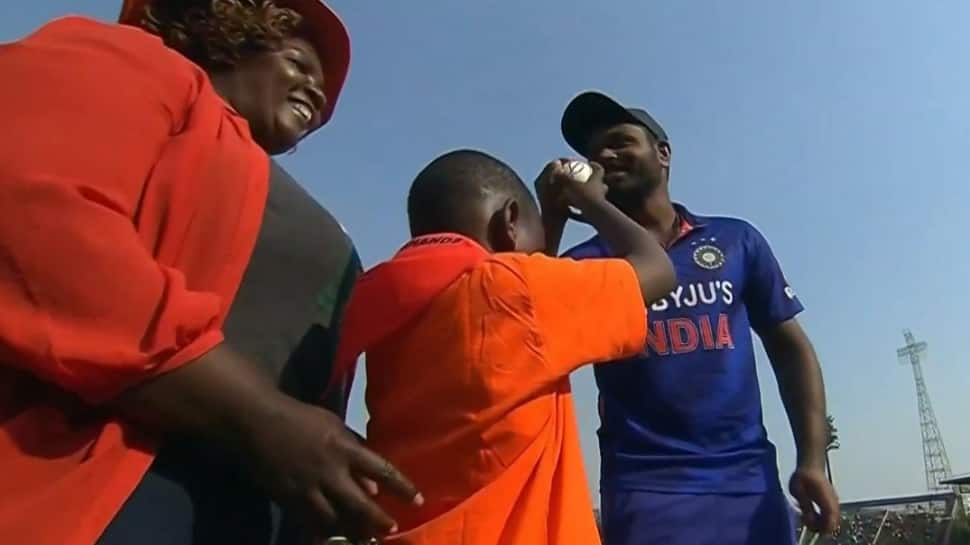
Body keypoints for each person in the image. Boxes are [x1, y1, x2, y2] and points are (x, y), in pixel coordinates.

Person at [0, 3, 421, 545]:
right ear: (231, 33)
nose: (318, 94)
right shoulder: (132, 61)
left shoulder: (265, 184)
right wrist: (259, 417)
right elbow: (31, 215)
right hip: (94, 493)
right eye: (298, 62)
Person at [326, 149, 677, 544]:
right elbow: (658, 269)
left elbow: (526, 322)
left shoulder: (393, 303)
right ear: (509, 220)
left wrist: (550, 216)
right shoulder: (514, 291)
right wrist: (590, 199)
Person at [556, 91, 840, 545]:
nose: (605, 156)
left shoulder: (735, 239)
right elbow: (520, 332)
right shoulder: (584, 263)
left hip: (748, 483)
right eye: (593, 154)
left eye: (620, 141)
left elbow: (790, 348)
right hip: (645, 489)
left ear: (663, 153)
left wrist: (811, 460)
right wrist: (553, 217)